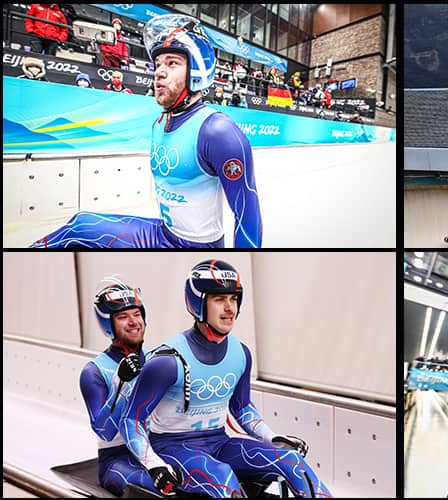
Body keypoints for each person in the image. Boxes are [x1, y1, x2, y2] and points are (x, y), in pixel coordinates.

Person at [30, 13, 263, 248]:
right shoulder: (160, 124)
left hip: (195, 246)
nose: (159, 72)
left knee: (79, 231)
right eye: (158, 64)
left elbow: (248, 218)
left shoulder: (218, 132)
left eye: (172, 63)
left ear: (198, 71)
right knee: (80, 226)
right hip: (164, 235)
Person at [119, 260, 331, 497]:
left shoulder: (241, 353)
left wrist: (272, 436)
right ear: (198, 303)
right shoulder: (167, 361)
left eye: (233, 299)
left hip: (219, 443)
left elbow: (241, 407)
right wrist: (154, 464)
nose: (230, 308)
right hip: (172, 449)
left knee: (292, 462)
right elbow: (131, 420)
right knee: (221, 477)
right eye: (219, 299)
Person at [79, 279, 159, 496]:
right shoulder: (94, 371)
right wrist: (121, 384)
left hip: (159, 450)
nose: (133, 322)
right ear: (108, 325)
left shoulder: (158, 360)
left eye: (137, 314)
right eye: (123, 317)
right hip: (118, 458)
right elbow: (104, 431)